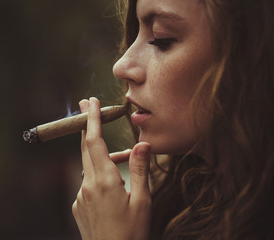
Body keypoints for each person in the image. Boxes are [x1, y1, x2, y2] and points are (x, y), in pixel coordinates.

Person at [72, 0, 274, 239]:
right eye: (136, 33)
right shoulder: (178, 209)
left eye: (161, 39)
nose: (121, 66)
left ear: (245, 55)